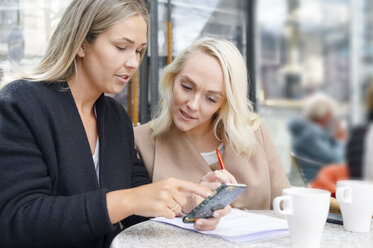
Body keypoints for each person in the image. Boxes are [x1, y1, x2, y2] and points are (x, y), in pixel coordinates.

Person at [0, 1, 228, 248]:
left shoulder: (114, 117)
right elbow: (16, 219)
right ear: (82, 43)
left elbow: (138, 204)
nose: (133, 62)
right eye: (122, 47)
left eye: (139, 51)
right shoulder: (22, 104)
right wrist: (127, 201)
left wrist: (188, 201)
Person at [134, 37, 290, 210]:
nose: (192, 105)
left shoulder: (254, 131)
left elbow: (287, 204)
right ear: (172, 79)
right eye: (186, 87)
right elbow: (137, 220)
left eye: (210, 98)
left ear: (225, 103)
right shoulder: (141, 141)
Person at [288, 92, 347, 182]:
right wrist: (339, 140)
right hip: (316, 184)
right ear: (322, 116)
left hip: (312, 181)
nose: (331, 119)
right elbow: (336, 160)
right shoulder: (311, 135)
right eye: (329, 115)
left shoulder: (305, 131)